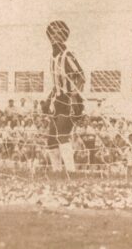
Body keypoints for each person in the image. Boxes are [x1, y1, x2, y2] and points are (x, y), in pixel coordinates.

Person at [41, 20, 85, 174]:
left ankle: (71, 172)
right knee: (51, 139)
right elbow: (57, 84)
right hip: (58, 100)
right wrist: (49, 99)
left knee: (61, 134)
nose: (55, 38)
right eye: (52, 34)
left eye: (58, 34)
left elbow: (81, 77)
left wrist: (74, 97)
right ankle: (57, 172)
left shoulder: (67, 55)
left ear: (64, 37)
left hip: (69, 100)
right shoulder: (53, 58)